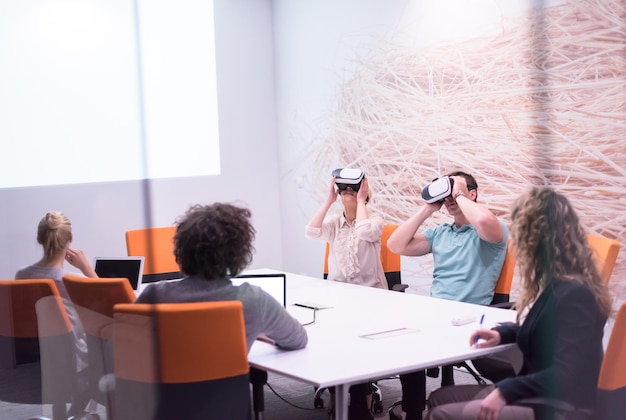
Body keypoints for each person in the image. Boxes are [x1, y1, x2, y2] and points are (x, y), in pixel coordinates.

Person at [426, 186, 612, 419]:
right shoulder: (559, 282)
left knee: (442, 413)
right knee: (438, 397)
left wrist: (506, 391)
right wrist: (502, 334)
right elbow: (545, 331)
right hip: (540, 391)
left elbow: (568, 373)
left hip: (562, 405)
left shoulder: (576, 294)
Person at [387, 171, 508, 420]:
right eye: (447, 191)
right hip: (435, 313)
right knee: (404, 338)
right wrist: (428, 209)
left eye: (455, 189)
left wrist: (460, 194)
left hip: (470, 317)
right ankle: (414, 412)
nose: (450, 196)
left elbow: (484, 221)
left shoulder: (490, 232)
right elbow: (394, 245)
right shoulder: (440, 233)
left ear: (472, 193)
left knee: (416, 343)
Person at [135, 202, 308, 352]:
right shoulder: (254, 301)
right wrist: (258, 328)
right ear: (239, 253)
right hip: (226, 390)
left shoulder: (154, 296)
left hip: (164, 390)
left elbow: (124, 344)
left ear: (180, 249)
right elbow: (298, 340)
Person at [305, 172, 386, 419]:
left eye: (352, 188)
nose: (346, 191)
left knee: (361, 346)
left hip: (369, 297)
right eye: (344, 189)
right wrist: (329, 199)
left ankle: (363, 395)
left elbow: (364, 232)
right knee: (335, 344)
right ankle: (336, 393)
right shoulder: (333, 223)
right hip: (338, 297)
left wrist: (361, 200)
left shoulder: (375, 220)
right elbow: (311, 231)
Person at [15, 211, 98, 419]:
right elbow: (107, 305)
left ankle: (64, 414)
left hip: (36, 362)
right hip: (74, 364)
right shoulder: (75, 279)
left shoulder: (22, 275)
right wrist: (87, 268)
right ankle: (77, 412)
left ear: (39, 239)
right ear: (70, 240)